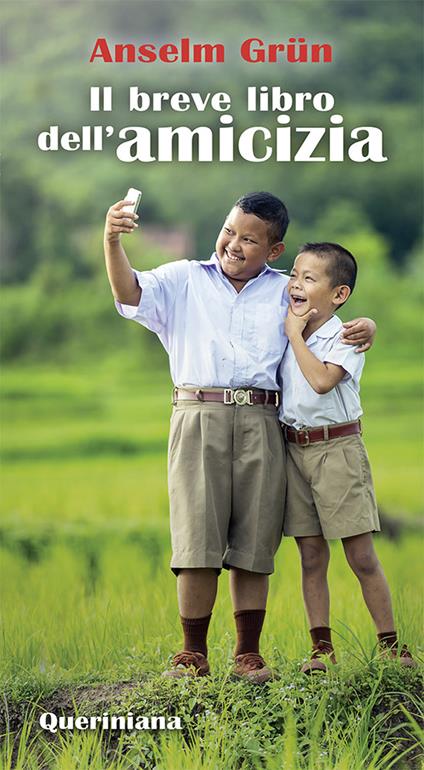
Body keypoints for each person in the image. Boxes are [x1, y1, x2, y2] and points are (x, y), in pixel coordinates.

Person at [104, 192, 376, 682]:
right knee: (196, 535)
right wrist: (112, 240)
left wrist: (368, 325)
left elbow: (329, 321)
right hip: (197, 414)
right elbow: (128, 294)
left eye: (250, 239)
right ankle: (192, 652)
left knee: (255, 537)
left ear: (274, 251)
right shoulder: (184, 278)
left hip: (263, 420)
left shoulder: (285, 291)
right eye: (230, 231)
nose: (233, 244)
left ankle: (248, 655)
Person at [281, 242, 416, 672]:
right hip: (293, 450)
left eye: (309, 278)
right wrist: (290, 331)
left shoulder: (345, 336)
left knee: (360, 554)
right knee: (311, 555)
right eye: (294, 275)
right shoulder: (286, 323)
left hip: (337, 450)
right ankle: (321, 651)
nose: (296, 284)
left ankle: (391, 646)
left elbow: (322, 381)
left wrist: (293, 336)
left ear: (339, 294)